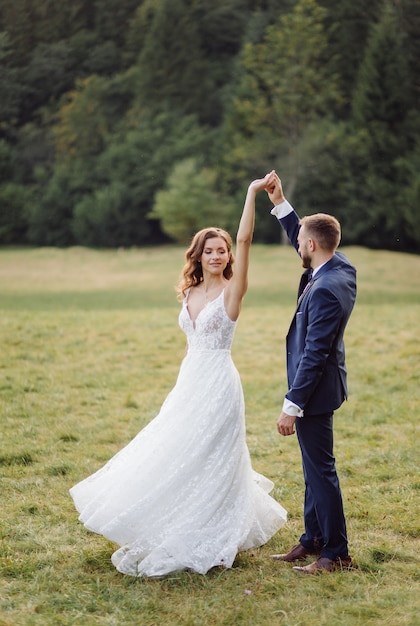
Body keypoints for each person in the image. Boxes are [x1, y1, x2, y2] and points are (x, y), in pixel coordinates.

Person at [69, 171, 287, 578]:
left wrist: (252, 193)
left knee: (214, 456)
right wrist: (182, 386)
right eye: (210, 251)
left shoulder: (232, 292)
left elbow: (245, 240)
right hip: (190, 383)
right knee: (177, 451)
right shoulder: (188, 293)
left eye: (222, 250)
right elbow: (190, 345)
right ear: (198, 256)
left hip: (221, 382)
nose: (218, 255)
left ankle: (217, 534)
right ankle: (172, 519)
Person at [266, 172, 356, 574]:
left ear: (313, 246)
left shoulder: (323, 290)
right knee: (312, 468)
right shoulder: (340, 267)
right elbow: (306, 239)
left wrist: (292, 405)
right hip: (325, 387)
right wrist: (282, 204)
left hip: (314, 391)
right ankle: (312, 539)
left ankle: (335, 553)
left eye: (301, 241)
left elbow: (315, 353)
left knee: (321, 472)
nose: (297, 245)